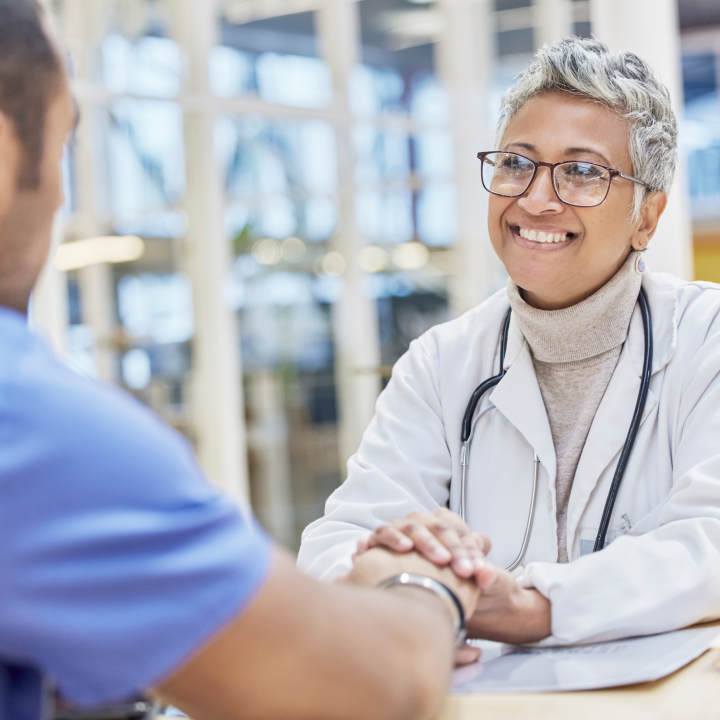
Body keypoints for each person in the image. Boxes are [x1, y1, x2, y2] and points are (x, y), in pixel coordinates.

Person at [0, 2, 491, 719]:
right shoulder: (36, 435)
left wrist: (343, 600)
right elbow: (371, 690)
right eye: (63, 142)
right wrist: (428, 583)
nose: (62, 194)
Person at [299, 36, 720, 647]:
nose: (536, 198)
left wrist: (527, 606)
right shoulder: (442, 362)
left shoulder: (707, 338)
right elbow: (342, 544)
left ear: (647, 217)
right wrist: (411, 595)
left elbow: (711, 541)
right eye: (517, 163)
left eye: (582, 171)